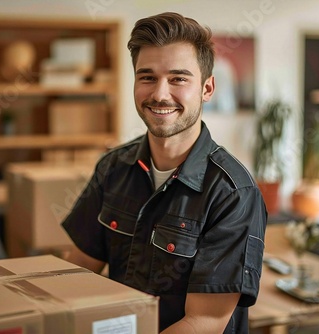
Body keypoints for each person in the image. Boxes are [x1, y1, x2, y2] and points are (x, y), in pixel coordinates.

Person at [62, 12, 267, 333]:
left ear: (207, 88)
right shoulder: (113, 167)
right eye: (147, 77)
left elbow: (205, 322)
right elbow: (76, 271)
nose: (159, 94)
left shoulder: (233, 192)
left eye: (178, 78)